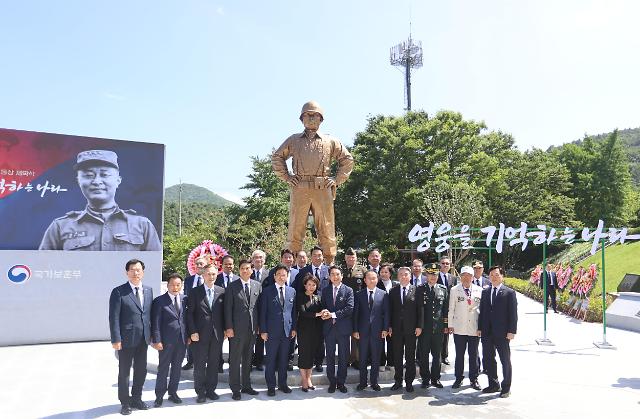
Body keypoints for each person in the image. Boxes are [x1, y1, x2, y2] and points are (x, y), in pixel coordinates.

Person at [271, 101, 354, 265]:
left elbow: (347, 159)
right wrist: (287, 177)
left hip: (322, 188)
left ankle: (329, 264)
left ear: (321, 119)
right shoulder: (294, 140)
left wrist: (336, 180)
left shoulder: (330, 141)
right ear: (301, 118)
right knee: (295, 228)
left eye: (314, 115)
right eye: (307, 115)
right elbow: (277, 157)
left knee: (327, 228)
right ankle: (291, 266)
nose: (310, 118)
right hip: (299, 187)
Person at [39, 150, 161, 251]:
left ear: (118, 180)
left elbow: (153, 269)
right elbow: (43, 268)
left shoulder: (142, 225)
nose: (97, 181)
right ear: (78, 181)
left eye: (104, 174)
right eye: (88, 175)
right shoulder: (60, 227)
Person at [108, 259, 153, 415]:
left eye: (139, 270)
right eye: (132, 270)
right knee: (124, 372)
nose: (136, 273)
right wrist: (116, 339)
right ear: (127, 272)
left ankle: (137, 398)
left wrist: (152, 336)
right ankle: (125, 403)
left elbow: (148, 315)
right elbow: (113, 318)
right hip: (126, 339)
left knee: (141, 371)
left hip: (143, 339)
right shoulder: (119, 291)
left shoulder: (148, 290)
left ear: (143, 272)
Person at [187, 263, 226, 403]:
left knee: (214, 363)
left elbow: (224, 313)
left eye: (214, 274)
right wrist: (192, 331)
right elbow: (189, 314)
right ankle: (200, 392)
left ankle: (211, 390)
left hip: (217, 335)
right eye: (208, 274)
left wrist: (226, 329)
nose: (211, 276)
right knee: (199, 364)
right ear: (203, 275)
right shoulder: (195, 292)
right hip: (199, 335)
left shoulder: (222, 291)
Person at [478, 265, 518, 398]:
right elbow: (482, 312)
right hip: (487, 332)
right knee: (489, 360)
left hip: (502, 333)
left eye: (497, 275)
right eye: (492, 275)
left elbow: (513, 314)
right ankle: (493, 384)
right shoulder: (485, 292)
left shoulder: (509, 293)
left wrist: (512, 331)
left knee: (505, 360)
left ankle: (506, 387)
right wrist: (480, 328)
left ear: (502, 276)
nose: (494, 277)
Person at [225, 259, 262, 400]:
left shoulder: (257, 286)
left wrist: (259, 327)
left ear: (252, 270)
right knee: (235, 360)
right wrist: (228, 327)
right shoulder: (232, 286)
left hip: (252, 329)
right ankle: (235, 388)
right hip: (236, 330)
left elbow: (258, 308)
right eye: (242, 268)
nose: (245, 271)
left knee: (248, 359)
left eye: (247, 268)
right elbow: (227, 309)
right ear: (239, 270)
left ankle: (246, 386)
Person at [260, 264, 297, 396]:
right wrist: (263, 330)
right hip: (271, 332)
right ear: (274, 276)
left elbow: (293, 312)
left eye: (284, 275)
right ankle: (270, 386)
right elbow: (262, 312)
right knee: (271, 360)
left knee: (283, 360)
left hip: (287, 332)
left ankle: (282, 384)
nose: (282, 277)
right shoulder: (267, 291)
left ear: (287, 276)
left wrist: (294, 328)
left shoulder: (292, 291)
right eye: (279, 274)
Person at [151, 273, 188, 407]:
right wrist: (157, 340)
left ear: (181, 286)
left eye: (178, 285)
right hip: (165, 342)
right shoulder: (160, 301)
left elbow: (186, 320)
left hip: (181, 340)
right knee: (163, 368)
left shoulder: (185, 299)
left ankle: (173, 393)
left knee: (177, 368)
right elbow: (155, 323)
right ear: (167, 285)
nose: (175, 287)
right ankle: (159, 395)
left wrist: (188, 336)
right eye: (172, 284)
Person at [352, 270, 389, 391]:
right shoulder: (359, 294)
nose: (372, 280)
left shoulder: (383, 294)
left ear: (377, 280)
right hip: (362, 332)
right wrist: (355, 330)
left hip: (377, 332)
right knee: (362, 358)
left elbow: (386, 313)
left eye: (374, 278)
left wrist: (385, 328)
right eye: (369, 278)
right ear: (365, 280)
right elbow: (356, 314)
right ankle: (362, 382)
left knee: (376, 358)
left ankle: (374, 382)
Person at [320, 266, 354, 393]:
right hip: (329, 329)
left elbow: (349, 308)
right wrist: (324, 312)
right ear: (329, 277)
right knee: (329, 357)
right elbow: (323, 306)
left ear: (342, 276)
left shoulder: (348, 290)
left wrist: (333, 314)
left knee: (343, 357)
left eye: (338, 274)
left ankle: (341, 382)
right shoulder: (325, 290)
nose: (335, 276)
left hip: (343, 329)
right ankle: (332, 382)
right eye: (332, 274)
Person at [447, 266, 482, 390]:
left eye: (469, 275)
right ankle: (458, 378)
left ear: (473, 277)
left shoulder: (480, 290)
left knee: (473, 354)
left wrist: (481, 327)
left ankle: (474, 379)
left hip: (474, 327)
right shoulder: (454, 290)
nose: (466, 278)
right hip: (459, 327)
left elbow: (482, 311)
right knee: (460, 354)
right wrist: (450, 325)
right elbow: (451, 308)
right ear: (460, 277)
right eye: (464, 275)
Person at [388, 267, 423, 393]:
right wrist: (389, 326)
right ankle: (398, 380)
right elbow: (390, 311)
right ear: (398, 277)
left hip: (411, 330)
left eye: (406, 274)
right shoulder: (393, 291)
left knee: (410, 357)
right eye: (401, 274)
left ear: (410, 276)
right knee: (397, 356)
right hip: (396, 330)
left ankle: (409, 382)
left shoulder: (417, 291)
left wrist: (419, 326)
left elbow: (420, 310)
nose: (403, 277)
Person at [417, 263, 448, 389]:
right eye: (430, 274)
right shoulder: (420, 289)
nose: (433, 277)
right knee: (423, 355)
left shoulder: (443, 289)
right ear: (426, 275)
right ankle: (425, 379)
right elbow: (418, 309)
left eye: (435, 274)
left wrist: (446, 325)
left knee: (437, 355)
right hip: (424, 329)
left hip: (438, 329)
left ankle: (435, 378)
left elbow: (445, 309)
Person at [296, 273, 324, 391]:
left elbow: (322, 310)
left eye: (314, 285)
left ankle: (309, 379)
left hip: (316, 330)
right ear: (305, 285)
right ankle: (304, 380)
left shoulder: (318, 297)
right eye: (309, 284)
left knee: (312, 354)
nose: (312, 287)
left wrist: (325, 312)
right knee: (303, 355)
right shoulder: (300, 296)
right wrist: (317, 314)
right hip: (303, 330)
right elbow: (303, 312)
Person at [182, 255, 210, 371]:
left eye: (201, 263)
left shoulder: (209, 279)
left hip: (205, 314)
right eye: (197, 263)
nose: (199, 266)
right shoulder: (188, 280)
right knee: (191, 338)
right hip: (191, 313)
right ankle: (190, 361)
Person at [341, 247, 365, 369]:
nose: (351, 259)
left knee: (356, 334)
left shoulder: (362, 270)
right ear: (345, 258)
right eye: (349, 257)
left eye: (353, 257)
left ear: (356, 258)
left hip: (358, 306)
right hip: (344, 306)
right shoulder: (341, 270)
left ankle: (356, 359)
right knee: (345, 334)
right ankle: (345, 359)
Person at [251, 249, 269, 371]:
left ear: (264, 260)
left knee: (261, 337)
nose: (258, 260)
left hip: (265, 309)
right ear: (252, 260)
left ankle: (259, 361)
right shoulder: (248, 272)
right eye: (256, 257)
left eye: (261, 257)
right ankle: (248, 361)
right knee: (250, 337)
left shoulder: (269, 274)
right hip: (250, 310)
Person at [377, 263, 398, 371]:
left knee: (392, 341)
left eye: (386, 272)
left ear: (390, 273)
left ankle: (391, 362)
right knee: (380, 340)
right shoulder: (376, 284)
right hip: (380, 317)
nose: (383, 274)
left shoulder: (396, 284)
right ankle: (381, 362)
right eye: (381, 272)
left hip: (394, 317)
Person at [437, 256, 457, 365]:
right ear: (440, 264)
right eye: (443, 263)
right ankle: (436, 355)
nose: (445, 265)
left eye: (447, 264)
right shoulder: (434, 276)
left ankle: (444, 356)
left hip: (448, 310)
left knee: (446, 334)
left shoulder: (453, 278)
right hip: (437, 309)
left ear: (450, 266)